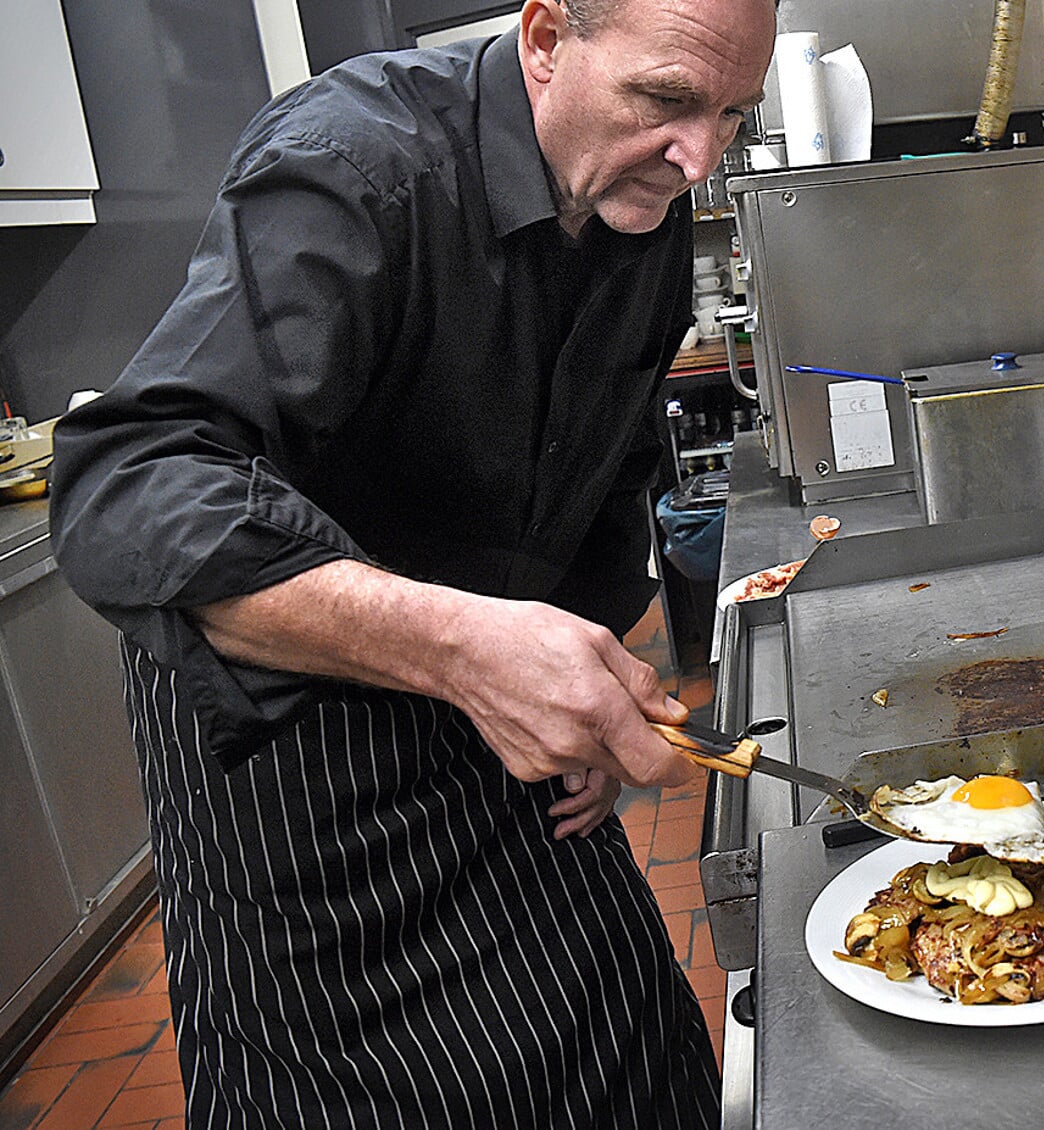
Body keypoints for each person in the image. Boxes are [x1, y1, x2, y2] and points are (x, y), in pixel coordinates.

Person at [49, 0, 775, 1123]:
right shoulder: (355, 164)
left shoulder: (644, 201)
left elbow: (608, 472)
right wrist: (466, 646)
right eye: (669, 100)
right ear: (544, 42)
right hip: (304, 787)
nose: (699, 156)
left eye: (737, 113)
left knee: (634, 1055)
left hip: (506, 758)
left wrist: (577, 682)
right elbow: (128, 485)